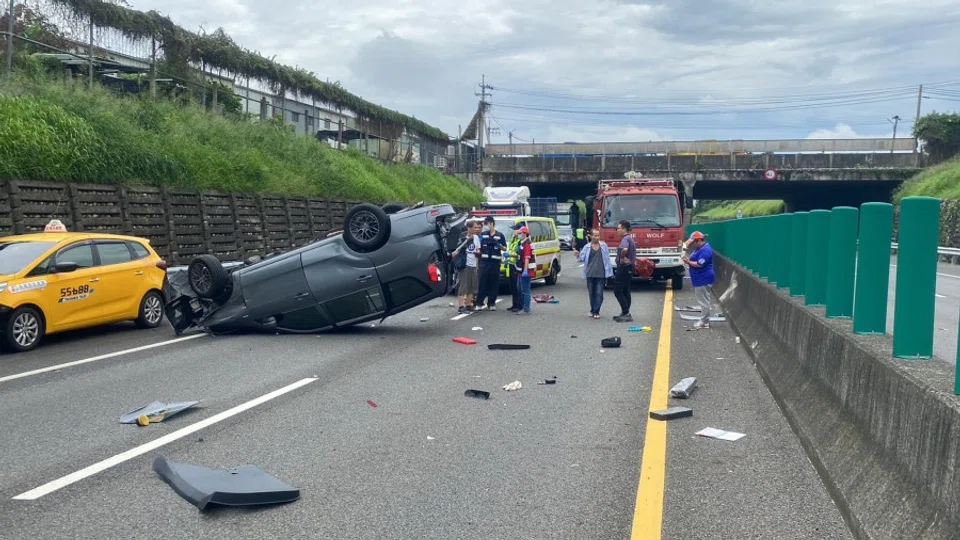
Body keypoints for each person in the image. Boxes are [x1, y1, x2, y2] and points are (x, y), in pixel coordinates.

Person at [574, 228, 613, 319]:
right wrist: (577, 255)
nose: (597, 237)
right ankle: (592, 309)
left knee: (599, 293)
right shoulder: (587, 247)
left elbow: (607, 260)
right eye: (595, 235)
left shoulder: (604, 246)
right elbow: (581, 259)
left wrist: (609, 271)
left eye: (598, 235)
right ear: (590, 236)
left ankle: (596, 311)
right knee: (591, 293)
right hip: (590, 273)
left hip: (601, 274)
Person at [682, 231, 715, 329]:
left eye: (693, 242)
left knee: (703, 301)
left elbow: (699, 264)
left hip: (703, 278)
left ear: (698, 241)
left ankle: (704, 322)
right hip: (700, 278)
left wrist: (688, 261)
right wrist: (688, 261)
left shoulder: (705, 250)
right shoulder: (700, 248)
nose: (692, 244)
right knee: (704, 300)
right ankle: (704, 320)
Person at [475, 216, 507, 311]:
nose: (486, 226)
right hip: (484, 263)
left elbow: (505, 248)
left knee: (494, 284)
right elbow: (478, 247)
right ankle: (479, 303)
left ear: (491, 223)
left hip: (495, 263)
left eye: (487, 224)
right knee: (482, 283)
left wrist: (499, 245)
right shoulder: (483, 235)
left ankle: (491, 303)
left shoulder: (500, 235)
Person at [452, 220, 481, 314]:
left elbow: (478, 250)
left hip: (473, 264)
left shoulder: (476, 237)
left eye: (477, 227)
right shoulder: (462, 237)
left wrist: (477, 263)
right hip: (464, 264)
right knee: (463, 285)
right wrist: (467, 239)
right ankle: (461, 306)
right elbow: (457, 249)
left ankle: (468, 304)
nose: (476, 229)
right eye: (474, 227)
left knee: (472, 285)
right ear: (469, 227)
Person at [613, 219, 636, 323]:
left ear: (624, 229)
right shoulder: (629, 238)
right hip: (629, 267)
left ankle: (626, 312)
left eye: (618, 228)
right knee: (626, 289)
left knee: (618, 290)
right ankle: (625, 312)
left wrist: (622, 257)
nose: (617, 230)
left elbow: (625, 249)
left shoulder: (625, 239)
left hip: (624, 267)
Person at [504, 222, 524, 312]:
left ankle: (519, 305)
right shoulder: (514, 239)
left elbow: (519, 254)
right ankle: (514, 304)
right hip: (510, 265)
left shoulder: (520, 241)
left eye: (515, 229)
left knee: (517, 287)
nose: (513, 231)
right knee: (512, 286)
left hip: (517, 265)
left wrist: (510, 255)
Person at [516, 225, 534, 314]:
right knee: (519, 288)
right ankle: (524, 307)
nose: (519, 234)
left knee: (525, 290)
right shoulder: (522, 243)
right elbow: (521, 256)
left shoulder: (527, 244)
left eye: (520, 233)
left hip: (525, 270)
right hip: (521, 270)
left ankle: (526, 308)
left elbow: (527, 258)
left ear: (525, 234)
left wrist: (525, 271)